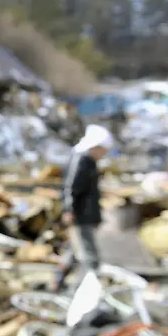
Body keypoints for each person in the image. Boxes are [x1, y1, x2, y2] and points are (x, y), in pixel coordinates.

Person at [57, 124, 113, 290]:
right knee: (89, 253)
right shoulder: (81, 159)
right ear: (95, 147)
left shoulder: (88, 161)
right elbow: (70, 187)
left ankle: (58, 282)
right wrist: (69, 210)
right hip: (81, 215)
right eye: (102, 150)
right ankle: (91, 287)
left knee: (74, 251)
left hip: (85, 214)